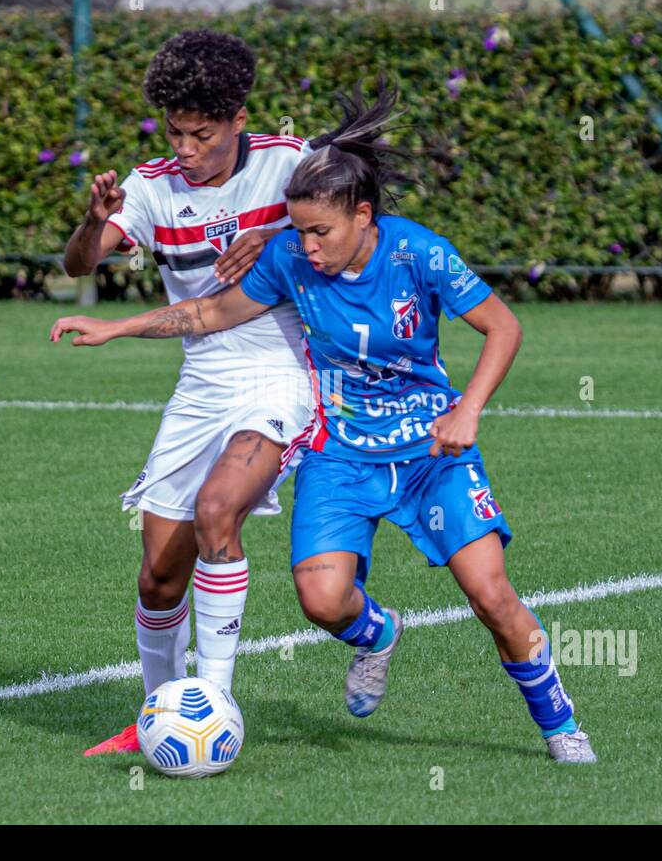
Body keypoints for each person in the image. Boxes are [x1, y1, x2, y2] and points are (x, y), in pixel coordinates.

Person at [52, 80, 597, 763]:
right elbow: (208, 314)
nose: (306, 247)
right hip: (339, 454)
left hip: (431, 450)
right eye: (298, 229)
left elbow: (504, 326)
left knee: (489, 594)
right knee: (319, 599)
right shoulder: (288, 259)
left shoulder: (417, 252)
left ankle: (559, 725)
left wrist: (469, 409)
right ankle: (376, 635)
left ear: (363, 217)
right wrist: (116, 327)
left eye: (319, 232)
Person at [57, 30, 316, 756]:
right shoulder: (150, 186)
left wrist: (277, 241)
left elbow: (357, 225)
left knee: (217, 512)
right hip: (201, 381)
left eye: (202, 133)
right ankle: (158, 717)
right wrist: (90, 217)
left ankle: (216, 704)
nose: (187, 146)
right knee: (159, 574)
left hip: (285, 376)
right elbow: (79, 263)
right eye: (175, 131)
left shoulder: (290, 165)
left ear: (239, 120)